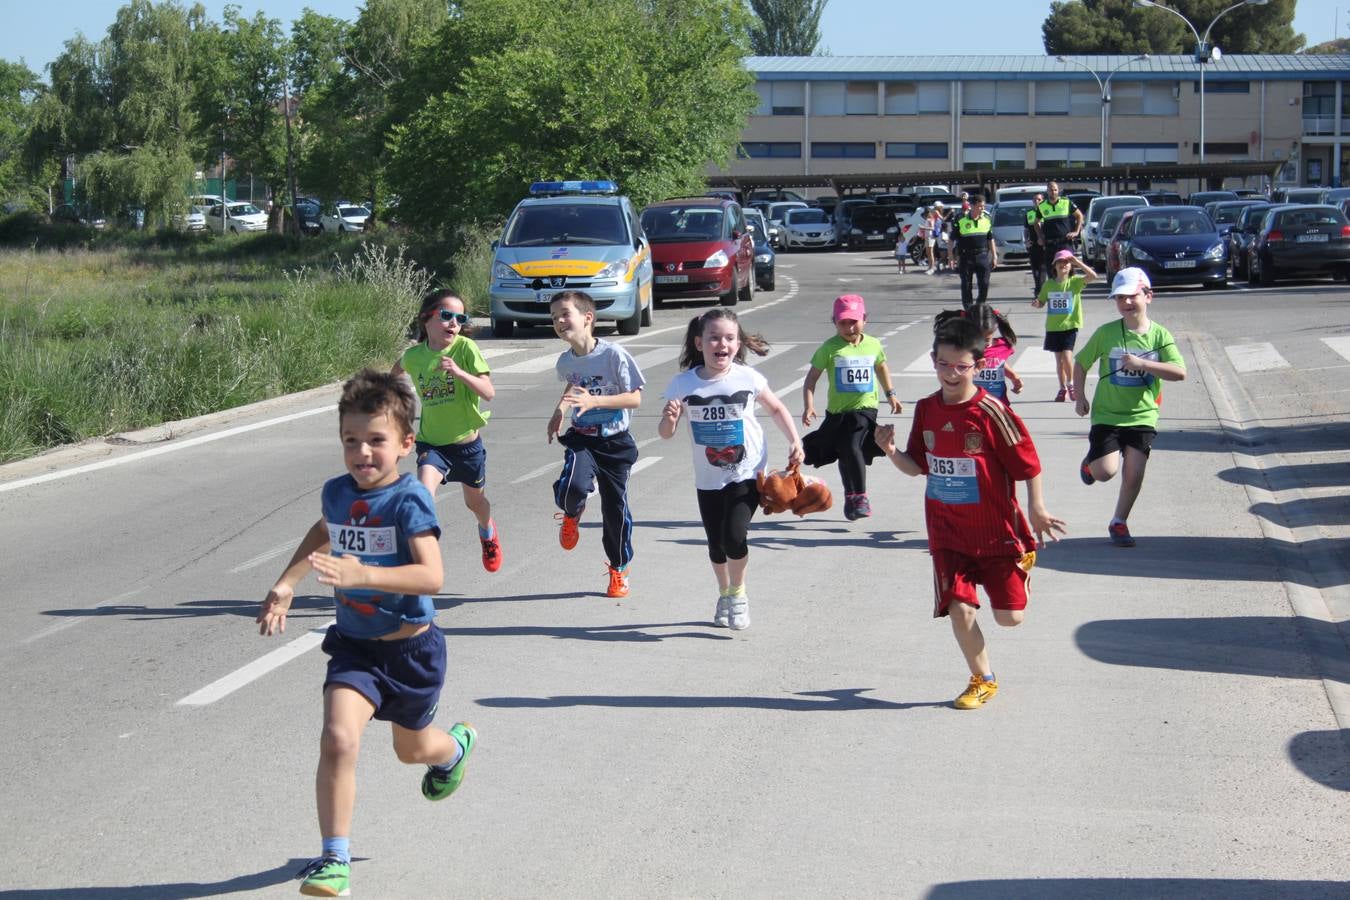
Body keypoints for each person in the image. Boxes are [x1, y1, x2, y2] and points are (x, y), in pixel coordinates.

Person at [256, 369, 475, 899]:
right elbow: (326, 529)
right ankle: (334, 859)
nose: (363, 452)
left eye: (376, 440)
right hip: (354, 647)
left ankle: (452, 751)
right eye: (351, 441)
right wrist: (286, 583)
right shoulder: (337, 492)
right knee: (338, 738)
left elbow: (432, 576)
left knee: (412, 750)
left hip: (412, 650)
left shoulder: (409, 501)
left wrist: (363, 575)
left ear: (404, 444)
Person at [873, 317, 1065, 710]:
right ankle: (983, 679)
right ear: (933, 360)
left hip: (995, 531)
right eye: (944, 364)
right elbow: (918, 466)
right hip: (947, 532)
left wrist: (1038, 507)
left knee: (1010, 619)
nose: (951, 373)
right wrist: (891, 451)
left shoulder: (991, 411)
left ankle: (1021, 567)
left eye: (961, 366)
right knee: (960, 610)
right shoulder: (926, 409)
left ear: (978, 366)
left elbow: (1028, 464)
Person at [658, 309, 804, 630]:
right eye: (713, 337)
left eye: (729, 338)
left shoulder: (747, 377)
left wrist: (795, 441)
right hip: (708, 477)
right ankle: (724, 592)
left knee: (734, 536)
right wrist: (669, 420)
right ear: (699, 343)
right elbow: (665, 434)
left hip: (747, 472)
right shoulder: (683, 384)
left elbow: (777, 408)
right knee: (716, 545)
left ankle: (738, 594)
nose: (721, 344)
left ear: (737, 344)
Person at [1072, 267, 1187, 548]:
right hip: (1107, 414)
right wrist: (1079, 396)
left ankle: (1119, 522)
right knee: (1105, 472)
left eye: (1131, 296)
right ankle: (1090, 465)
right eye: (1119, 298)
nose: (1125, 303)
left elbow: (1179, 372)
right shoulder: (1107, 333)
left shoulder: (1160, 336)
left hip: (1142, 415)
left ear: (1148, 296)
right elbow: (1081, 362)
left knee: (1134, 472)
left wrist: (1143, 364)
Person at [392, 289, 502, 573]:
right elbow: (397, 370)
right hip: (432, 445)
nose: (454, 323)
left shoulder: (465, 349)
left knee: (475, 503)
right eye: (446, 316)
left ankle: (487, 532)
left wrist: (459, 373)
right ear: (425, 320)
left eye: (459, 318)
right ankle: (421, 560)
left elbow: (488, 392)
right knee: (423, 497)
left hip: (467, 446)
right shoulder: (414, 356)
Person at [546, 290, 645, 598]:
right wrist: (559, 411)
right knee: (572, 487)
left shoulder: (613, 355)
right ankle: (572, 514)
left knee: (615, 510)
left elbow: (635, 398)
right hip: (583, 437)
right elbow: (574, 383)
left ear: (587, 318)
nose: (559, 321)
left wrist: (595, 400)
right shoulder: (565, 361)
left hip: (615, 442)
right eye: (554, 317)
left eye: (565, 314)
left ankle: (619, 569)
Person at [801, 294, 903, 520]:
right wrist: (809, 406)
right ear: (834, 322)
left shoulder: (873, 344)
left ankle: (861, 496)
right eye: (842, 323)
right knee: (844, 451)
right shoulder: (829, 348)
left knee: (853, 445)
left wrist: (891, 395)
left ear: (864, 319)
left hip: (865, 409)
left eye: (853, 321)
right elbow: (811, 380)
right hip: (837, 413)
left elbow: (882, 368)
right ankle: (851, 496)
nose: (848, 327)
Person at [1032, 249, 1099, 402]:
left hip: (1070, 325)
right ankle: (1062, 388)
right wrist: (1037, 304)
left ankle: (1071, 385)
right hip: (1053, 327)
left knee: (1067, 356)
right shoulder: (1048, 285)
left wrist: (1078, 262)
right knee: (1059, 360)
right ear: (1054, 266)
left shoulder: (1075, 282)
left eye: (1066, 262)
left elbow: (1093, 276)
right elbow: (1041, 302)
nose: (1063, 265)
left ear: (1070, 266)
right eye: (1060, 262)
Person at [936, 305, 1023, 406]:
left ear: (994, 330)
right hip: (967, 405)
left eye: (986, 340)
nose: (981, 344)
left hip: (997, 405)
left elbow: (999, 363)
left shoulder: (1001, 347)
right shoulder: (960, 350)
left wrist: (1014, 377)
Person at [950, 193, 997, 311]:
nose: (983, 209)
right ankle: (969, 309)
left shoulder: (987, 220)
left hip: (982, 256)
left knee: (985, 284)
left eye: (983, 206)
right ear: (972, 206)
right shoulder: (961, 221)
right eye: (980, 206)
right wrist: (951, 257)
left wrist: (994, 256)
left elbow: (990, 239)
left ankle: (980, 305)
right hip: (966, 257)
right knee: (966, 285)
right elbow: (951, 240)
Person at [1035, 181, 1084, 282]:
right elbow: (1036, 223)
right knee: (1051, 270)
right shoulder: (1041, 206)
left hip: (1065, 242)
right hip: (1050, 243)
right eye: (1051, 190)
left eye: (1055, 190)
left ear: (1058, 191)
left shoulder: (1066, 202)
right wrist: (1040, 236)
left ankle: (1069, 291)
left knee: (1067, 268)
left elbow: (1079, 216)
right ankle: (1054, 294)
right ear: (1047, 191)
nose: (1053, 192)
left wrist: (1076, 231)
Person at [1024, 193, 1045, 299]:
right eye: (1035, 199)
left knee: (1043, 269)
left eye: (1039, 199)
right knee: (1035, 270)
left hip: (1044, 246)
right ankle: (1038, 289)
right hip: (1033, 245)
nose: (1037, 201)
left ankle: (1039, 292)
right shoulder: (1029, 213)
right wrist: (1026, 241)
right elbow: (1026, 230)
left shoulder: (1046, 211)